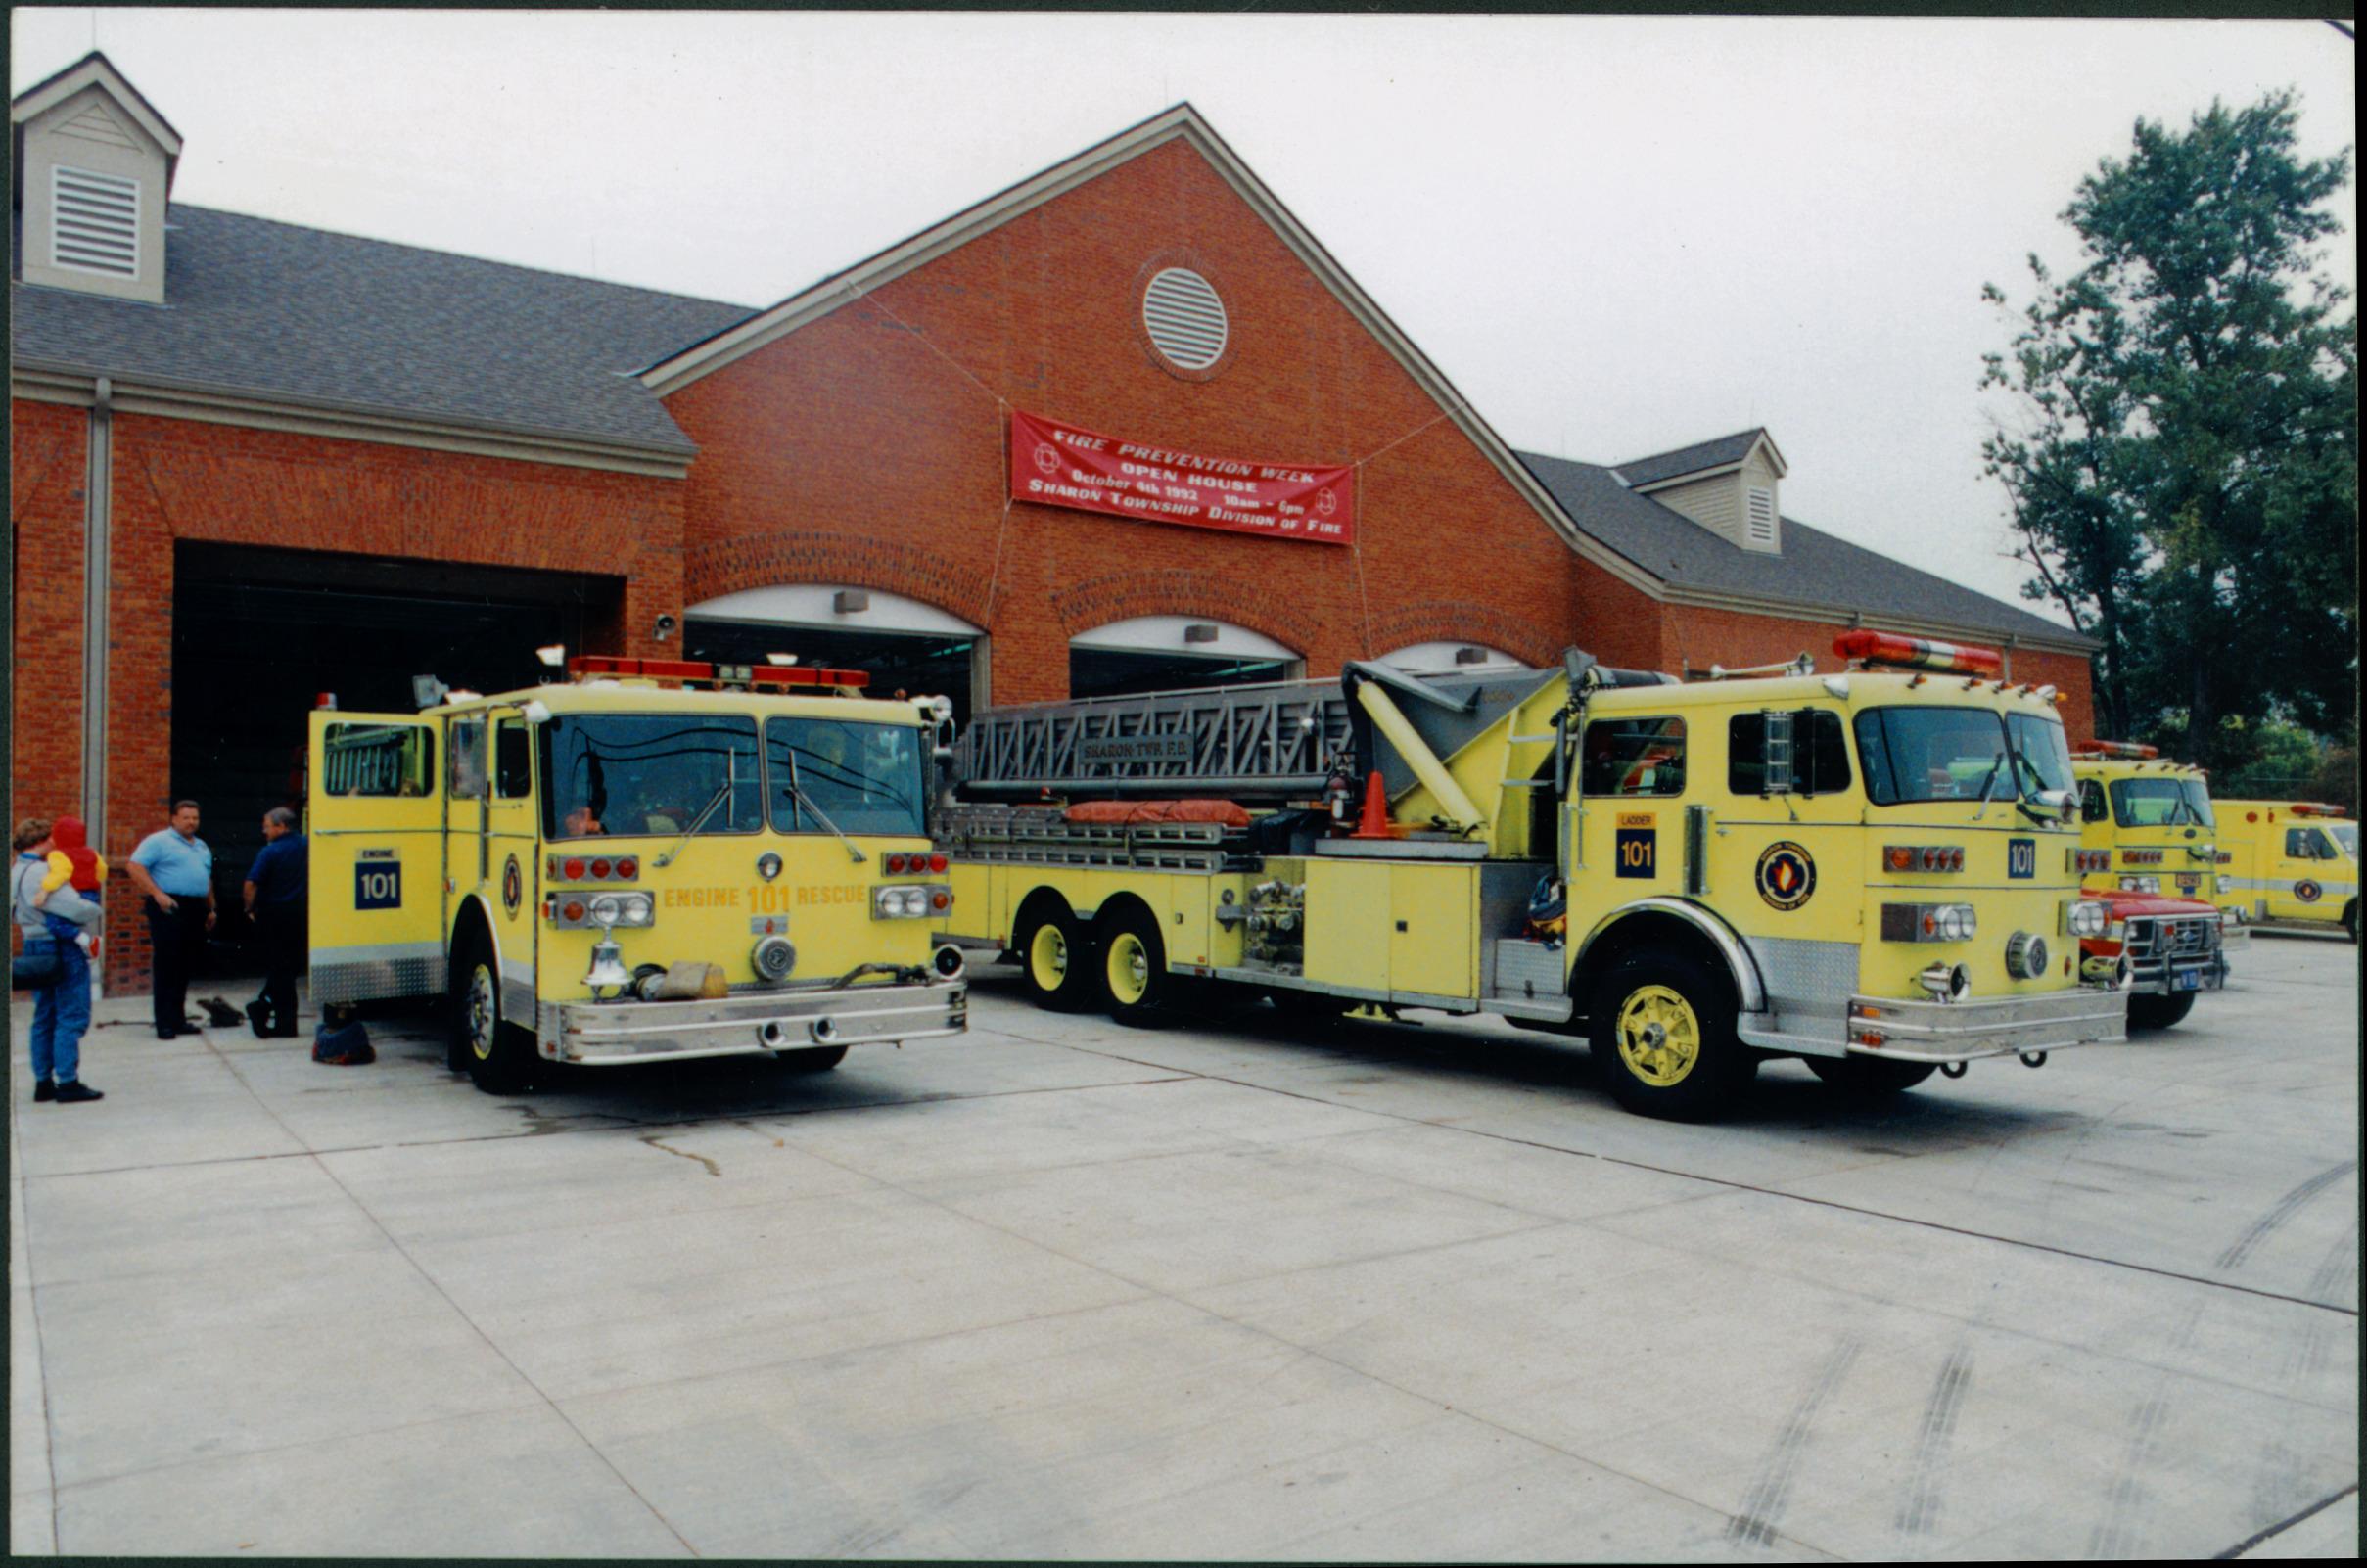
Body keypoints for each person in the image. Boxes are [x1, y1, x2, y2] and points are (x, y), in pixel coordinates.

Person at [13, 819, 103, 1103]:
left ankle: (43, 1081)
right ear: (42, 840)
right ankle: (68, 1081)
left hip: (32, 943)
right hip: (60, 947)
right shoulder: (42, 870)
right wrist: (94, 905)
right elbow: (75, 908)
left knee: (44, 1014)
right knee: (71, 1014)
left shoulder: (15, 870)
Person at [125, 800, 215, 1039]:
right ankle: (164, 1023)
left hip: (195, 907)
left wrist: (211, 909)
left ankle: (178, 1020)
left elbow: (206, 879)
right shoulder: (158, 841)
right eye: (186, 818)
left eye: (195, 818)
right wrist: (157, 894)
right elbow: (134, 866)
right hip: (168, 906)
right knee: (167, 964)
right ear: (174, 819)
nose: (191, 822)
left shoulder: (201, 846)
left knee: (185, 964)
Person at [243, 806, 307, 1038]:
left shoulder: (270, 852)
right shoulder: (309, 845)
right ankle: (271, 1011)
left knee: (280, 969)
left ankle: (271, 1013)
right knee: (290, 968)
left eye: (267, 826)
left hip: (275, 915)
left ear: (281, 827)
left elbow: (250, 883)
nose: (264, 831)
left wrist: (249, 908)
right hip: (303, 914)